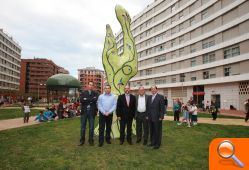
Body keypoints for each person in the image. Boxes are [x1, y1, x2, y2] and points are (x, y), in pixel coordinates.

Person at [79, 81, 99, 146]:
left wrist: (86, 99)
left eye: (92, 85)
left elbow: (95, 100)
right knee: (83, 127)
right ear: (87, 85)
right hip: (84, 112)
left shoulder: (95, 93)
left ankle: (91, 140)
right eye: (90, 85)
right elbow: (81, 100)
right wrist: (91, 100)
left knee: (91, 127)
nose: (91, 86)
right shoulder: (83, 93)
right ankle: (82, 140)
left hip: (92, 112)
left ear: (93, 86)